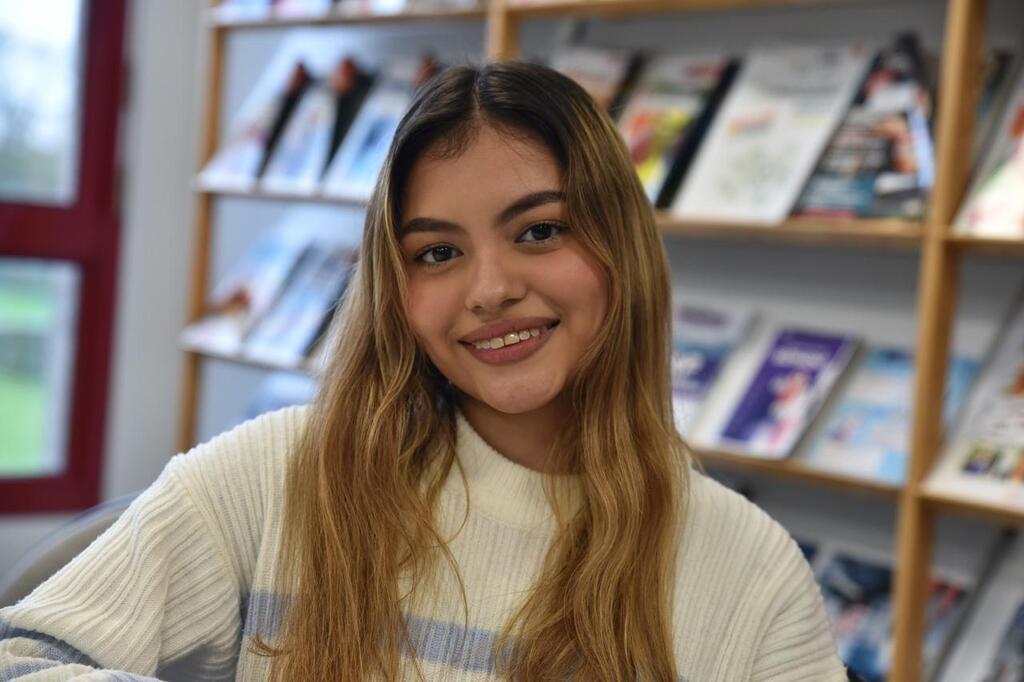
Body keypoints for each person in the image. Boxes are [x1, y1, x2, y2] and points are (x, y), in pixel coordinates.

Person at [0, 61, 845, 681]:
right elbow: (27, 657)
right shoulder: (282, 474)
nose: (489, 290)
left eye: (540, 231)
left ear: (620, 247)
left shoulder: (752, 577)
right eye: (436, 253)